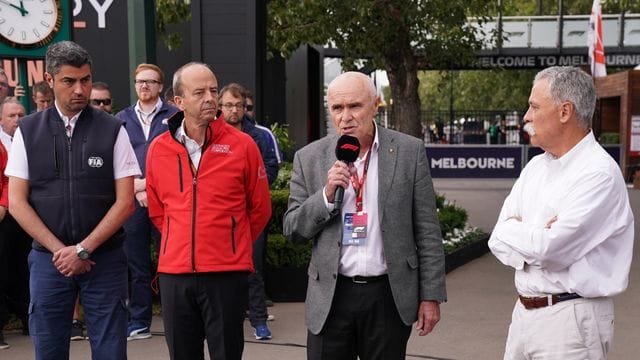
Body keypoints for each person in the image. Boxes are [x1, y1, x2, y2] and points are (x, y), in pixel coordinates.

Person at [283, 71, 446, 359]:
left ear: (375, 105)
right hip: (331, 297)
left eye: (355, 106)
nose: (345, 116)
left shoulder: (409, 151)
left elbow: (428, 231)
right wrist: (326, 195)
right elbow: (293, 230)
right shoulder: (309, 158)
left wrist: (430, 295)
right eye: (337, 108)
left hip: (388, 294)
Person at [5, 41, 140, 360]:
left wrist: (83, 249)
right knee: (49, 351)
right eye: (69, 81)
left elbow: (125, 202)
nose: (80, 89)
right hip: (48, 262)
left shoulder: (112, 129)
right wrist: (60, 252)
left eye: (86, 79)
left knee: (111, 352)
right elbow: (17, 202)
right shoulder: (28, 130)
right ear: (50, 81)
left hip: (104, 260)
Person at [488, 66, 634, 360]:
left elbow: (550, 249)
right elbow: (497, 238)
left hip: (570, 322)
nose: (527, 116)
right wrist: (539, 234)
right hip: (524, 316)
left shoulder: (598, 174)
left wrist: (526, 234)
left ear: (565, 111)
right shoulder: (536, 167)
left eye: (534, 106)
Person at [146, 62, 272, 360]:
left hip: (226, 273)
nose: (210, 98)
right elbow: (157, 210)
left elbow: (260, 209)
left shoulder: (243, 146)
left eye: (213, 90)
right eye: (199, 92)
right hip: (174, 274)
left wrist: (228, 241)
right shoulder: (158, 149)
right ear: (178, 101)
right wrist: (181, 241)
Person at [116, 63, 178, 341]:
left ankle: (177, 318)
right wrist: (136, 187)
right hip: (133, 202)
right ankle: (139, 321)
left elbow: (180, 157)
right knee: (137, 265)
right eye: (140, 81)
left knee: (171, 262)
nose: (144, 86)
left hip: (165, 201)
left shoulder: (175, 116)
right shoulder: (121, 118)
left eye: (151, 82)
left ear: (160, 87)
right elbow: (116, 161)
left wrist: (147, 187)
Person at [219, 83, 278, 340]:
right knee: (221, 271)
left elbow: (271, 167)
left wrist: (251, 187)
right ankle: (224, 321)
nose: (234, 110)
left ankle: (259, 320)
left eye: (239, 105)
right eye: (229, 105)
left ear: (245, 107)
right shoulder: (210, 134)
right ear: (221, 107)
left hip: (251, 213)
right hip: (220, 216)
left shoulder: (261, 135)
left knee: (253, 268)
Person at [0, 98, 30, 349]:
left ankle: (27, 319)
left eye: (21, 114)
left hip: (25, 215)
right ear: (2, 119)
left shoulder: (30, 139)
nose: (17, 120)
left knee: (23, 269)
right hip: (5, 216)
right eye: (12, 116)